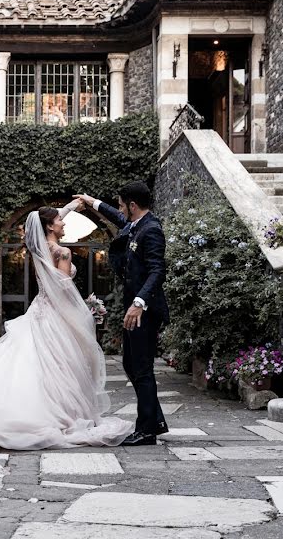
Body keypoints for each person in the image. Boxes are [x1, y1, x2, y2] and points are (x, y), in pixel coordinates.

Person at [0, 199, 133, 450]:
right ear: (50, 227)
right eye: (60, 221)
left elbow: (47, 220)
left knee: (37, 363)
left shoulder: (38, 246)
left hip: (39, 310)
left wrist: (72, 205)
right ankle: (61, 415)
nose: (64, 223)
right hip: (55, 313)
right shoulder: (62, 252)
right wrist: (84, 312)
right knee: (62, 365)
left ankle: (29, 411)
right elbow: (63, 290)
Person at [74, 182, 169, 446]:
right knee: (131, 363)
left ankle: (148, 429)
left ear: (133, 206)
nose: (119, 209)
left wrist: (139, 303)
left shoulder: (151, 230)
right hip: (134, 308)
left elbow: (157, 271)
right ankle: (155, 421)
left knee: (141, 367)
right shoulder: (135, 224)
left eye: (121, 204)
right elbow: (116, 217)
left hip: (145, 310)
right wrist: (92, 201)